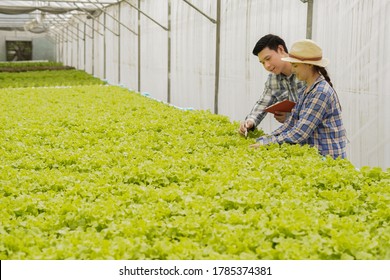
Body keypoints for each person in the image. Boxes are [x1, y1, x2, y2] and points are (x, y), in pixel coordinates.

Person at [250, 39, 347, 159]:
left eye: (295, 66)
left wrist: (267, 143)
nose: (293, 70)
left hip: (328, 158)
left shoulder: (320, 92)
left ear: (309, 65)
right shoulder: (306, 89)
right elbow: (291, 124)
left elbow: (300, 133)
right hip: (314, 157)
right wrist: (264, 139)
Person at [239, 34, 305, 136]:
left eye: (268, 58)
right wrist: (250, 122)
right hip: (295, 137)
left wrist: (289, 117)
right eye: (262, 63)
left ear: (280, 49)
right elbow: (262, 103)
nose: (267, 66)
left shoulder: (305, 72)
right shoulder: (273, 79)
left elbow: (315, 113)